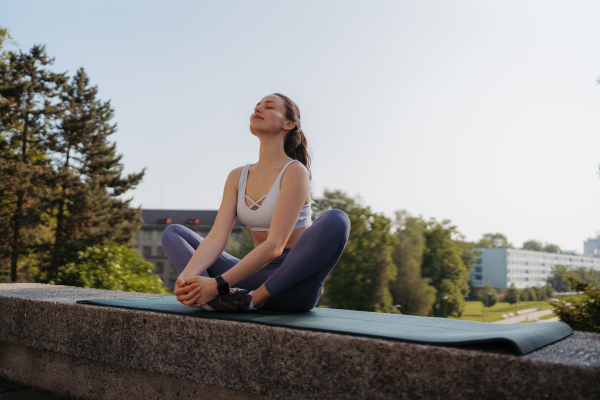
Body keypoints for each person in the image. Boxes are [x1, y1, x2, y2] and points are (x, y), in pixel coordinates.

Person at [161, 93, 350, 312]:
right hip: (251, 277)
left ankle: (248, 300)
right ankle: (208, 298)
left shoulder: (294, 172)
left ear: (289, 123)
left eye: (268, 106)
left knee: (337, 219)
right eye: (257, 106)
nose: (258, 109)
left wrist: (219, 284)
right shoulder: (237, 176)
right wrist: (186, 279)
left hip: (290, 286)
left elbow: (275, 246)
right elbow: (215, 238)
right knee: (173, 233)